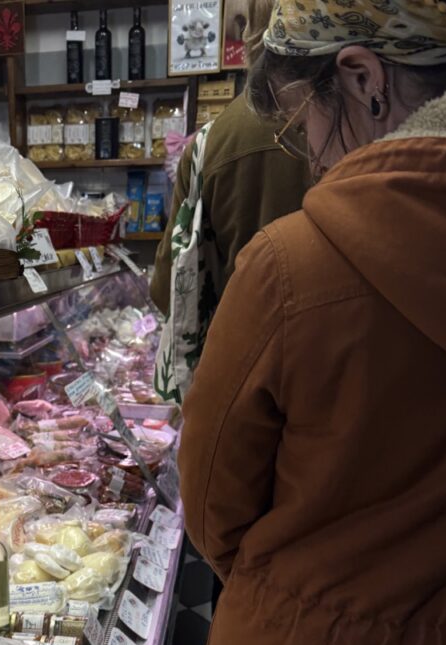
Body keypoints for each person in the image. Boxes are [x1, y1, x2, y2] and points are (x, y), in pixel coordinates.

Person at [177, 0, 446, 645]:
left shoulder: (292, 266)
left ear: (364, 80)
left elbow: (212, 506)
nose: (303, 153)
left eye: (302, 121)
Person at [151, 0, 310, 404]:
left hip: (240, 372)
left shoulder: (213, 141)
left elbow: (169, 287)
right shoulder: (352, 115)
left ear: (246, 33)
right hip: (338, 364)